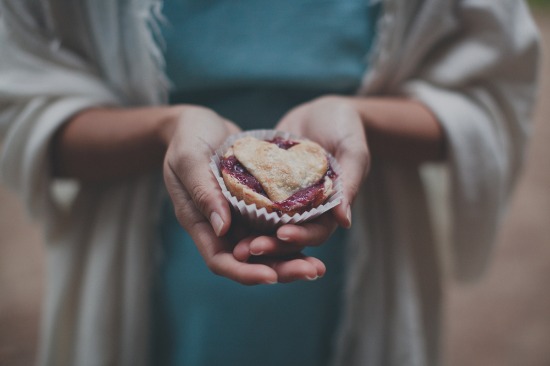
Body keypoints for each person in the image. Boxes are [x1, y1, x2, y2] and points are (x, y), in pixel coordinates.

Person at [0, 0, 539, 365]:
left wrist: (362, 119)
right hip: (143, 280)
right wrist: (165, 129)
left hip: (361, 274)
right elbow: (17, 108)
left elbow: (496, 96)